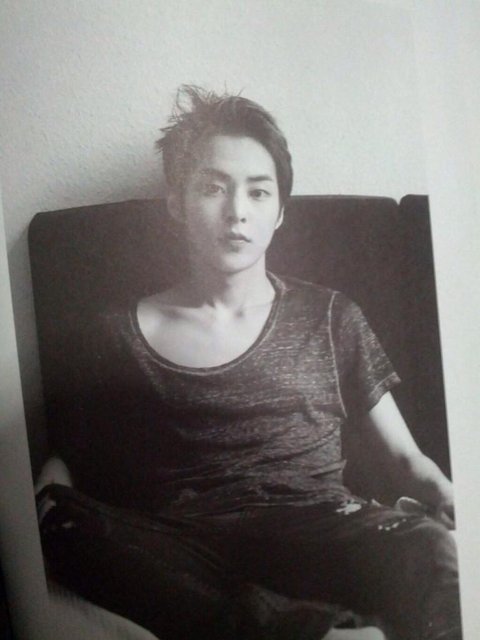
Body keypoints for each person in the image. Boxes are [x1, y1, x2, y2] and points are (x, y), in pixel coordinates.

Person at [36, 86, 462, 640]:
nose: (236, 212)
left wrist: (449, 502)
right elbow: (69, 467)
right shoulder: (116, 333)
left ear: (280, 211)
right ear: (176, 202)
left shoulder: (330, 316)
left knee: (430, 548)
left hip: (320, 532)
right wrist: (46, 515)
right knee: (66, 524)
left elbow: (404, 458)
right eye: (213, 188)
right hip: (186, 549)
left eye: (258, 193)